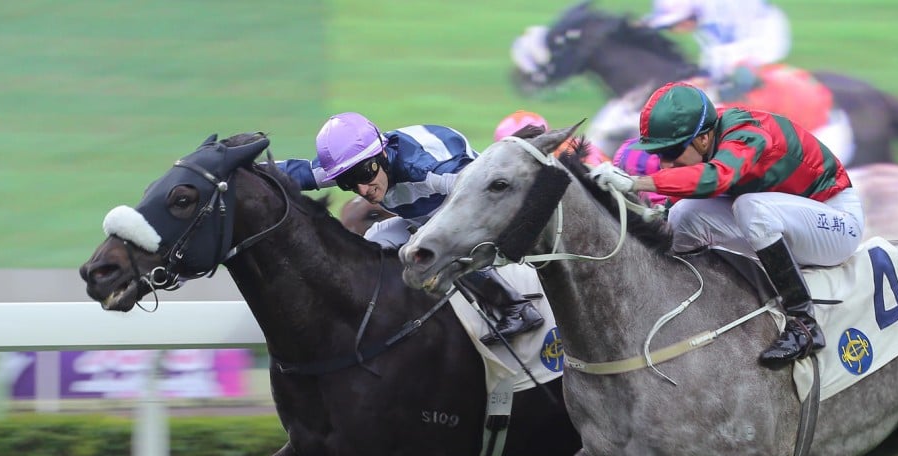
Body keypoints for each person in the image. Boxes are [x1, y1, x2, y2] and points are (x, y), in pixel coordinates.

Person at [590, 81, 864, 368]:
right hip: (786, 220)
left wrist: (636, 182)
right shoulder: (707, 136)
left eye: (671, 152)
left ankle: (805, 325)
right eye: (660, 155)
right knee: (683, 216)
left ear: (704, 139)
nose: (665, 164)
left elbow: (717, 178)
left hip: (835, 222)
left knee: (750, 207)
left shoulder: (746, 134)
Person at [279, 112, 543, 342]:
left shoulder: (425, 168)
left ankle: (515, 307)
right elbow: (293, 172)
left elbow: (487, 191)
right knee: (376, 240)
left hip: (468, 216)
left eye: (364, 174)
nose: (362, 189)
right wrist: (240, 166)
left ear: (381, 153)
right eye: (347, 182)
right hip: (427, 218)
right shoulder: (356, 163)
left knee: (435, 244)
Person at [645, 0, 792, 84]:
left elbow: (720, 60)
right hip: (752, 33)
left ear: (687, 17)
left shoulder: (718, 18)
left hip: (764, 37)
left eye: (671, 26)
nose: (672, 31)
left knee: (730, 83)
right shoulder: (705, 16)